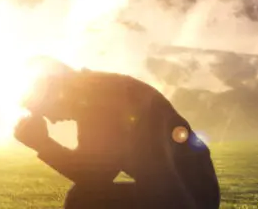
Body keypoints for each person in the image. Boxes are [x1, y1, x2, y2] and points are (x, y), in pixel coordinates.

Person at [14, 64, 221, 208]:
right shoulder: (97, 91)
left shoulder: (100, 98)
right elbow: (94, 171)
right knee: (83, 198)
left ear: (53, 90)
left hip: (184, 198)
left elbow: (94, 176)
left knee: (84, 199)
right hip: (188, 193)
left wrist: (43, 144)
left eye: (41, 108)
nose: (48, 119)